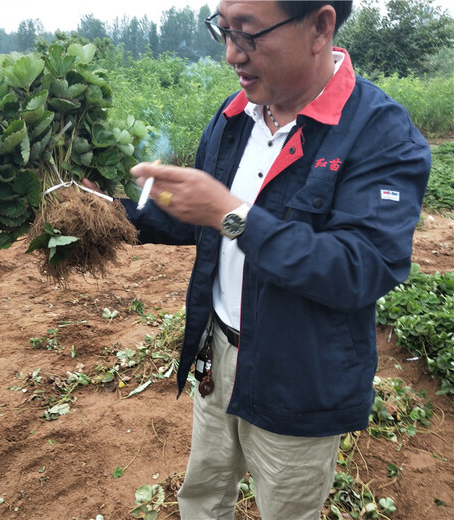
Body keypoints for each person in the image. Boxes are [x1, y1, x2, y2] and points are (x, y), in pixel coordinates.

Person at [85, 1, 430, 518]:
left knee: (286, 508)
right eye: (223, 31)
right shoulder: (234, 118)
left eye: (247, 34)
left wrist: (231, 213)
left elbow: (359, 268)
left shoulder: (379, 133)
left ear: (320, 26)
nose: (231, 54)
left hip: (300, 373)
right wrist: (108, 214)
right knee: (203, 494)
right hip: (216, 349)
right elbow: (195, 216)